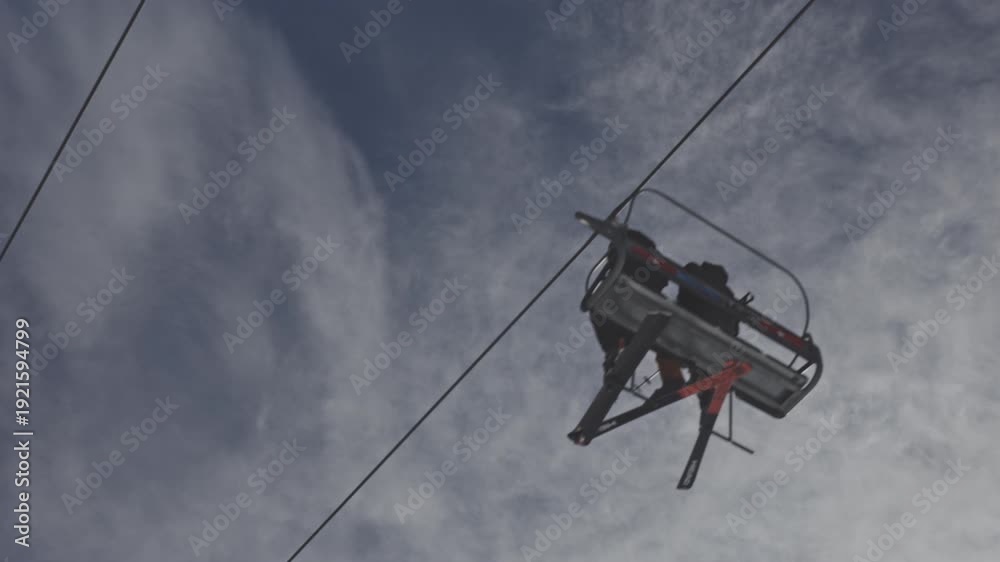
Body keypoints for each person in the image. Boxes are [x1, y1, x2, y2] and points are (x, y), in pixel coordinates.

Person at [586, 229, 739, 403]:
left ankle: (676, 379)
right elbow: (668, 283)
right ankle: (697, 380)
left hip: (649, 313)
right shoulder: (723, 294)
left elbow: (667, 283)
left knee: (662, 338)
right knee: (670, 341)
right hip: (700, 330)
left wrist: (611, 352)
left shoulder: (631, 268)